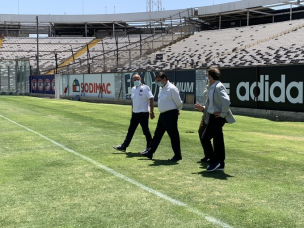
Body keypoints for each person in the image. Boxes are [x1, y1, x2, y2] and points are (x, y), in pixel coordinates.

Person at [196, 67, 235, 172]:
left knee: (205, 138)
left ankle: (214, 161)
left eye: (207, 75)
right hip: (213, 116)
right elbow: (212, 105)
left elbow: (226, 101)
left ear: (211, 76)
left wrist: (222, 114)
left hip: (217, 118)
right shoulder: (211, 87)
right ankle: (221, 164)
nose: (206, 77)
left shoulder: (218, 86)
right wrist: (203, 108)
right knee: (218, 141)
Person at [140, 72, 183, 161]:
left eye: (159, 80)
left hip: (170, 114)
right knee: (157, 134)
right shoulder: (161, 88)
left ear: (164, 79)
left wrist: (178, 109)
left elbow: (179, 102)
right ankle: (150, 152)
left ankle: (177, 155)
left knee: (173, 135)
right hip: (163, 114)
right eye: (156, 81)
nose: (158, 82)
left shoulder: (172, 88)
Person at [113, 74, 155, 152]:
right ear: (132, 81)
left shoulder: (145, 88)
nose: (136, 81)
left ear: (140, 79)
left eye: (137, 79)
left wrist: (152, 111)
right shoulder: (133, 89)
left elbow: (151, 98)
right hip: (135, 113)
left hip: (143, 113)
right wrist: (132, 111)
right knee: (131, 130)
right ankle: (124, 146)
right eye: (134, 79)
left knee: (145, 131)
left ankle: (149, 148)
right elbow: (133, 101)